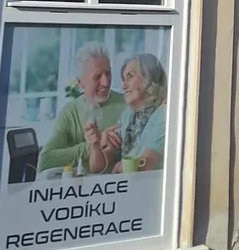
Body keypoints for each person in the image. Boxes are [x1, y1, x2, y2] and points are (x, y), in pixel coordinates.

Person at [38, 43, 124, 172]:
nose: (106, 82)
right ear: (80, 82)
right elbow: (46, 160)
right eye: (97, 77)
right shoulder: (69, 113)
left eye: (108, 73)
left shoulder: (127, 104)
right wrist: (92, 145)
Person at [86, 53, 167, 175]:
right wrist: (96, 144)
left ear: (149, 77)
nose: (124, 86)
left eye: (130, 76)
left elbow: (147, 165)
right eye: (124, 80)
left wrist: (120, 166)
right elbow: (97, 168)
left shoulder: (163, 112)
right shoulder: (128, 115)